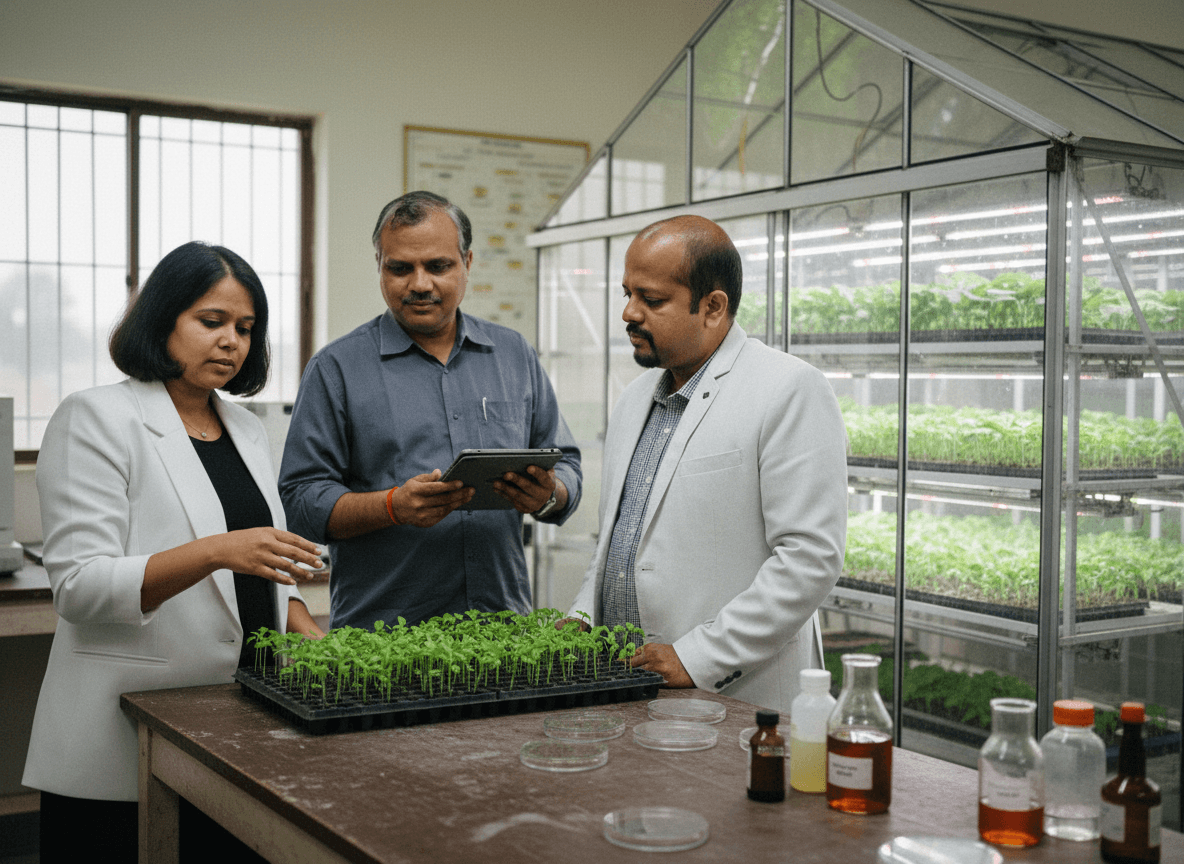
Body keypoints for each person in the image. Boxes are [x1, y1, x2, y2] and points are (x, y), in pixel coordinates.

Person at [23, 241, 326, 859]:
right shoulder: (97, 416)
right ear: (163, 319)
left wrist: (312, 638)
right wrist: (214, 551)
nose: (231, 342)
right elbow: (81, 587)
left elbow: (264, 568)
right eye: (210, 322)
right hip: (128, 729)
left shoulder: (245, 426)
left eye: (245, 328)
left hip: (242, 719)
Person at [564, 215, 848, 713]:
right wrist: (585, 614)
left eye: (651, 300)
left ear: (713, 307)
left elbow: (809, 559)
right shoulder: (634, 399)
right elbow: (619, 536)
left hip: (730, 696)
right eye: (626, 293)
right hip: (623, 683)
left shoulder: (788, 389)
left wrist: (698, 656)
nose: (629, 313)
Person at [279, 191, 581, 629]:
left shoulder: (513, 354)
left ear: (467, 263)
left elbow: (565, 461)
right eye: (399, 268)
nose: (420, 284)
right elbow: (302, 501)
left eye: (438, 266)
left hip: (504, 631)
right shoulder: (336, 369)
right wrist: (391, 506)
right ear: (379, 266)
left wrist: (549, 494)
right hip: (381, 639)